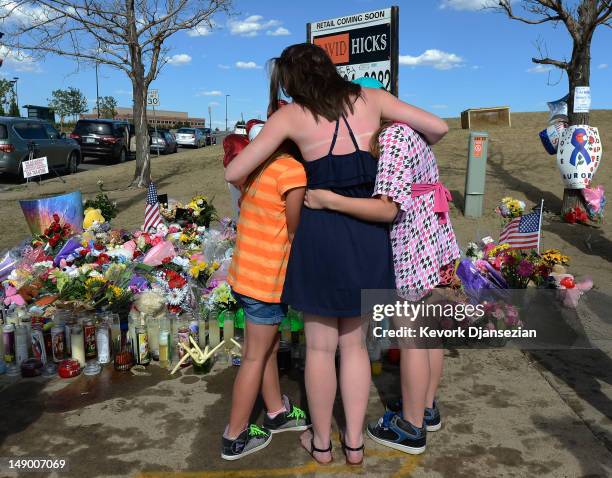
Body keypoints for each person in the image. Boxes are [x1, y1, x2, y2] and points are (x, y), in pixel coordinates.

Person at [225, 43, 449, 465]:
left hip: (320, 236)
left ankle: (322, 444)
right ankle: (355, 445)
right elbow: (437, 128)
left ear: (290, 81)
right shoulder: (373, 100)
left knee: (321, 350)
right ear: (329, 68)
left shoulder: (290, 116)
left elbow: (234, 171)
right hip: (369, 235)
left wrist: (285, 154)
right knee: (356, 348)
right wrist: (381, 138)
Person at [304, 117, 460, 454]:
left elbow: (388, 208)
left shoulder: (391, 138)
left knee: (411, 338)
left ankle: (411, 427)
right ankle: (427, 408)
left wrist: (328, 200)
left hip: (410, 242)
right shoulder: (414, 134)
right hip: (431, 234)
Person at [222, 120, 310, 461]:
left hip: (246, 276)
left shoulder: (261, 168)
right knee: (255, 357)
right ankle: (235, 434)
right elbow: (294, 230)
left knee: (268, 349)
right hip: (265, 281)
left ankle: (276, 412)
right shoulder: (292, 171)